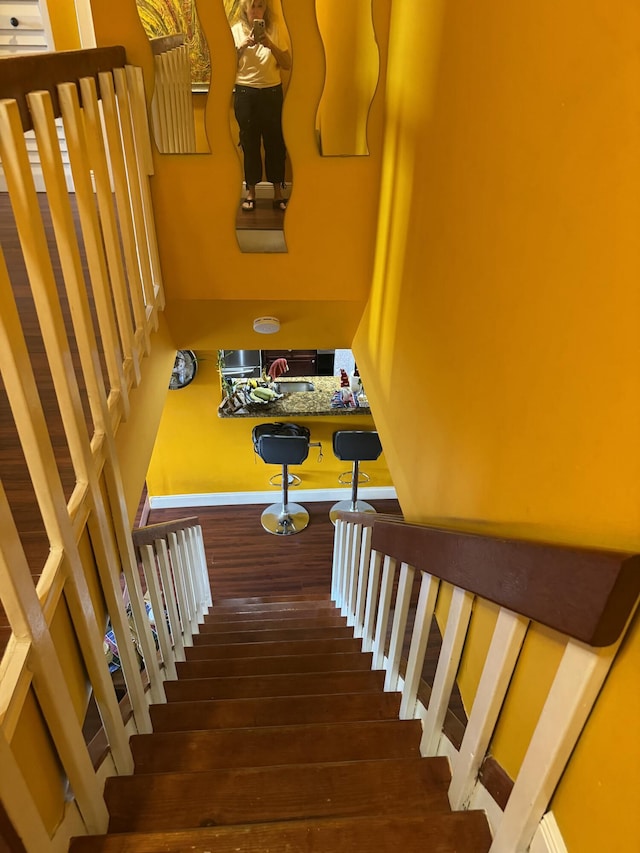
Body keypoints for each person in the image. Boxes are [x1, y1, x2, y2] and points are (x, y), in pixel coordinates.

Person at [231, 0, 291, 212]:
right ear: (245, 8)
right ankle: (251, 192)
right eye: (253, 5)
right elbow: (226, 64)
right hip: (246, 92)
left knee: (275, 142)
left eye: (261, 6)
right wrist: (242, 46)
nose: (256, 11)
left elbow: (287, 63)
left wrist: (271, 45)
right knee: (249, 144)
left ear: (266, 9)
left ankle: (278, 192)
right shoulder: (235, 31)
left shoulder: (275, 30)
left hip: (272, 92)